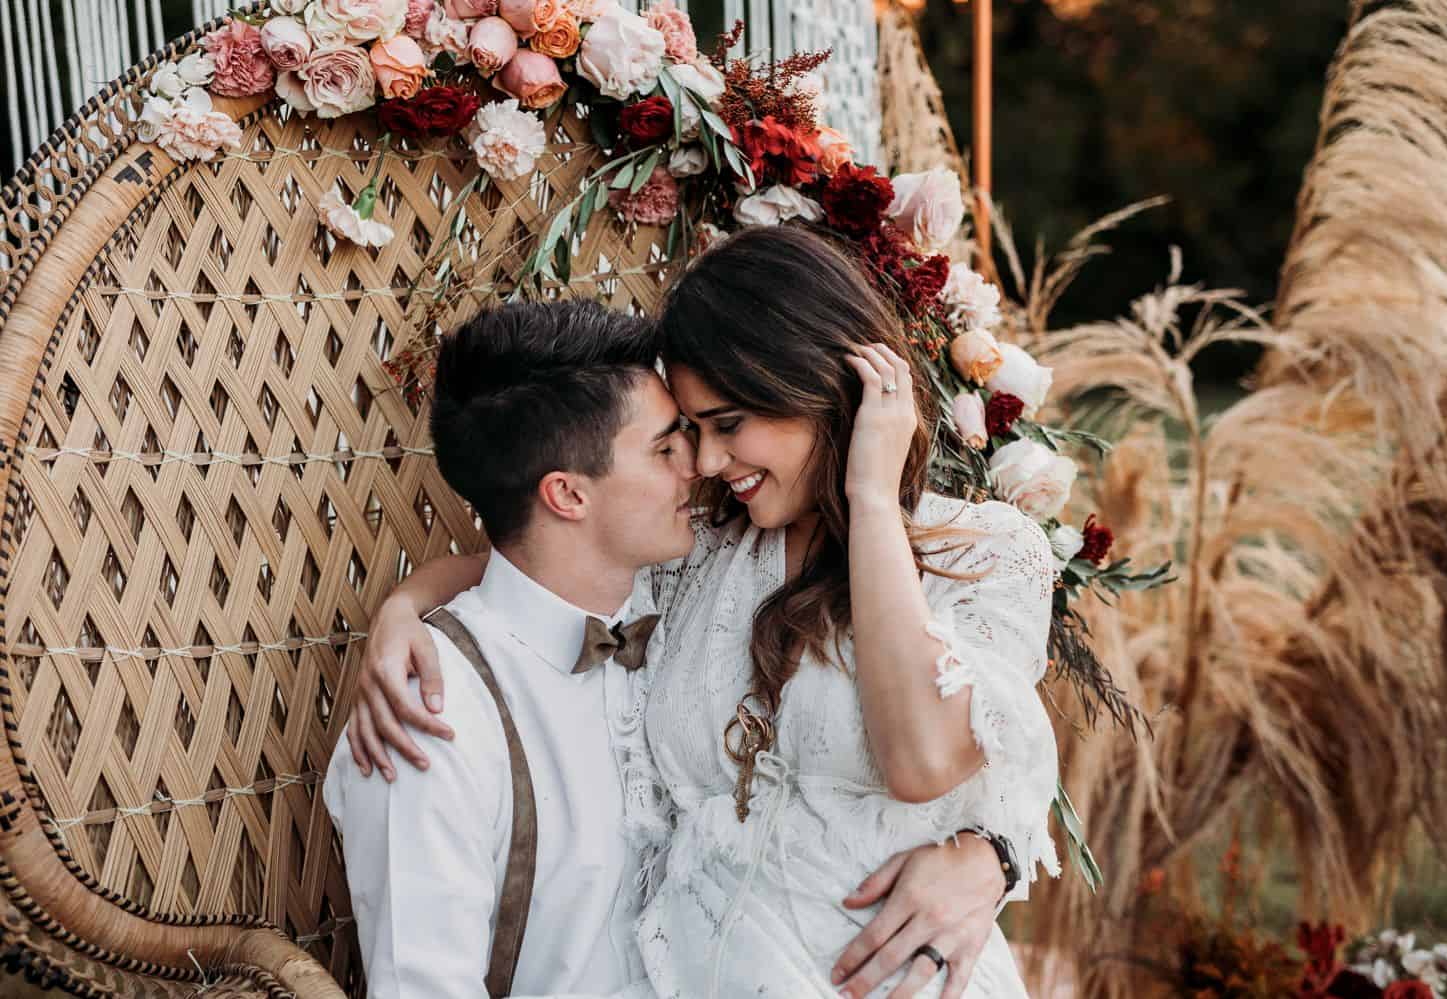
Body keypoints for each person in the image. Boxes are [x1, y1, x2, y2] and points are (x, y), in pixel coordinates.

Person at [351, 226, 1059, 998]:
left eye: (727, 426)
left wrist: (871, 499)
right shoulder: (711, 555)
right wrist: (406, 608)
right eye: (686, 436)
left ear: (820, 388)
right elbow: (545, 562)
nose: (709, 463)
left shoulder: (988, 552)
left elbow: (924, 762)